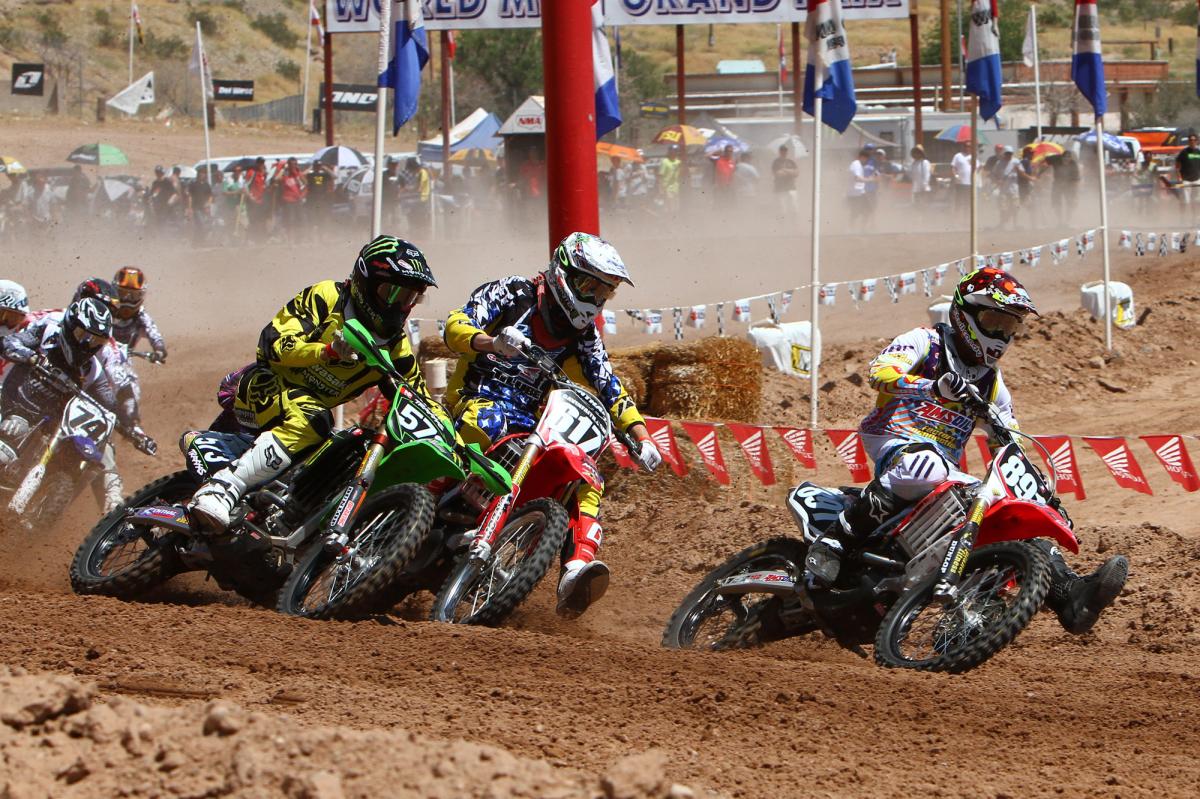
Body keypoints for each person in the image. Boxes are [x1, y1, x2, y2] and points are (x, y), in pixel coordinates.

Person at [804, 267, 1128, 635]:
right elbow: (881, 371)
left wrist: (1038, 496)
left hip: (942, 464)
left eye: (1010, 328)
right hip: (893, 437)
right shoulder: (926, 341)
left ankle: (1071, 594)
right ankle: (834, 541)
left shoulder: (992, 382)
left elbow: (1009, 438)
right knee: (927, 467)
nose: (1001, 336)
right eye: (994, 321)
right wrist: (931, 387)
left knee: (1000, 509)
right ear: (964, 313)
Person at [442, 232, 663, 617]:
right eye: (589, 286)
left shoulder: (584, 335)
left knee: (585, 476)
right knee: (488, 420)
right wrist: (489, 342)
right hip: (476, 399)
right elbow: (455, 324)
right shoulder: (512, 293)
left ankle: (575, 569)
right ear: (565, 271)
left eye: (604, 292)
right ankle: (438, 497)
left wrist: (642, 437)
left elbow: (609, 385)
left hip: (532, 426)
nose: (594, 299)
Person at [188, 235, 443, 531]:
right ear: (366, 282)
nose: (402, 305)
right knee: (315, 420)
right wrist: (327, 351)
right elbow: (272, 343)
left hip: (305, 421)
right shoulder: (327, 297)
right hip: (265, 386)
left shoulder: (396, 347)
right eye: (395, 293)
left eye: (411, 297)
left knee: (348, 446)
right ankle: (222, 488)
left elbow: (416, 397)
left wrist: (458, 446)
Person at [0, 297, 156, 514]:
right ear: (70, 326)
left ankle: (112, 500)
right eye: (84, 336)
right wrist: (31, 357)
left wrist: (133, 432)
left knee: (89, 447)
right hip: (12, 406)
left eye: (96, 342)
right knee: (8, 441)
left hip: (49, 425)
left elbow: (109, 405)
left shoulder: (91, 369)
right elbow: (10, 342)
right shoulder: (46, 334)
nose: (87, 346)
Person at [110, 267, 167, 363]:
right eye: (122, 293)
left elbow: (155, 336)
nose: (127, 300)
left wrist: (159, 351)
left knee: (130, 378)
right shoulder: (105, 309)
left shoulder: (141, 317)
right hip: (95, 357)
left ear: (141, 295)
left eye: (133, 295)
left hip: (121, 363)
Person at [277, 157, 308, 239]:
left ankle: (299, 239)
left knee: (299, 220)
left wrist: (303, 195)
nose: (293, 166)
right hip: (288, 200)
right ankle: (291, 240)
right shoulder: (285, 174)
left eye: (295, 164)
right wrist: (283, 169)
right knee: (290, 221)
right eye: (292, 164)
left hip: (297, 200)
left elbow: (306, 184)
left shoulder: (298, 174)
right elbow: (277, 179)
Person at [1049, 150, 1081, 226]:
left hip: (1069, 187)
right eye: (1064, 157)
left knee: (1070, 203)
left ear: (1070, 158)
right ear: (1062, 157)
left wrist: (1076, 193)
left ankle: (1067, 221)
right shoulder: (1056, 161)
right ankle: (1059, 221)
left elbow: (1076, 180)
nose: (1066, 159)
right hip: (1057, 185)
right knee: (1056, 203)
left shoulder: (1073, 165)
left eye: (1068, 157)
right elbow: (1046, 160)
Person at [1173, 133, 1200, 210]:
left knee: (1196, 201)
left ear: (1197, 141)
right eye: (1191, 140)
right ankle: (1183, 219)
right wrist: (1179, 177)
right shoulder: (1184, 152)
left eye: (1194, 140)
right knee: (1185, 201)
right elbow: (1177, 166)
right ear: (1188, 141)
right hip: (1186, 180)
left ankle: (1195, 218)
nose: (1192, 141)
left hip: (1197, 180)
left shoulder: (1199, 152)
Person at [772, 143, 800, 217]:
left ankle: (794, 226)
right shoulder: (776, 162)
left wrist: (784, 169)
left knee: (794, 209)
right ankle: (782, 227)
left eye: (785, 150)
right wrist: (791, 172)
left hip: (791, 188)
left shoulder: (791, 162)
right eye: (782, 150)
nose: (784, 152)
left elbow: (796, 173)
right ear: (780, 152)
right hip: (780, 189)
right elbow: (778, 174)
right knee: (782, 210)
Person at [848, 148, 876, 218]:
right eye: (866, 159)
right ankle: (852, 228)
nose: (866, 161)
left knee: (865, 211)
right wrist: (868, 179)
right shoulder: (856, 164)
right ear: (862, 157)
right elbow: (857, 178)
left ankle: (859, 228)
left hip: (859, 192)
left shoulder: (858, 164)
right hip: (855, 193)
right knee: (857, 212)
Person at [188, 169, 215, 245]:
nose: (202, 175)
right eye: (200, 173)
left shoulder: (206, 185)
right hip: (196, 208)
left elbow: (210, 196)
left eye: (203, 173)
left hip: (204, 208)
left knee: (199, 225)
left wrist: (208, 205)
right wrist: (189, 208)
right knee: (201, 223)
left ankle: (197, 241)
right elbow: (190, 196)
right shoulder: (193, 184)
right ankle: (200, 241)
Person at [658, 145, 682, 212]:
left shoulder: (678, 162)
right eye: (673, 151)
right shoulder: (665, 162)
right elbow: (660, 175)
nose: (674, 152)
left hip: (676, 186)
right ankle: (669, 217)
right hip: (667, 186)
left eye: (676, 151)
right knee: (669, 203)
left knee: (676, 203)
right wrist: (660, 188)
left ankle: (675, 216)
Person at [951, 141, 973, 209]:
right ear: (963, 147)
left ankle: (966, 218)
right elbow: (953, 167)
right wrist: (956, 175)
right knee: (959, 202)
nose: (967, 148)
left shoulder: (973, 156)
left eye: (969, 146)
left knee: (968, 203)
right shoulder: (958, 156)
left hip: (970, 184)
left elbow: (978, 167)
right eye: (966, 146)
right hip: (960, 183)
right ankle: (957, 218)